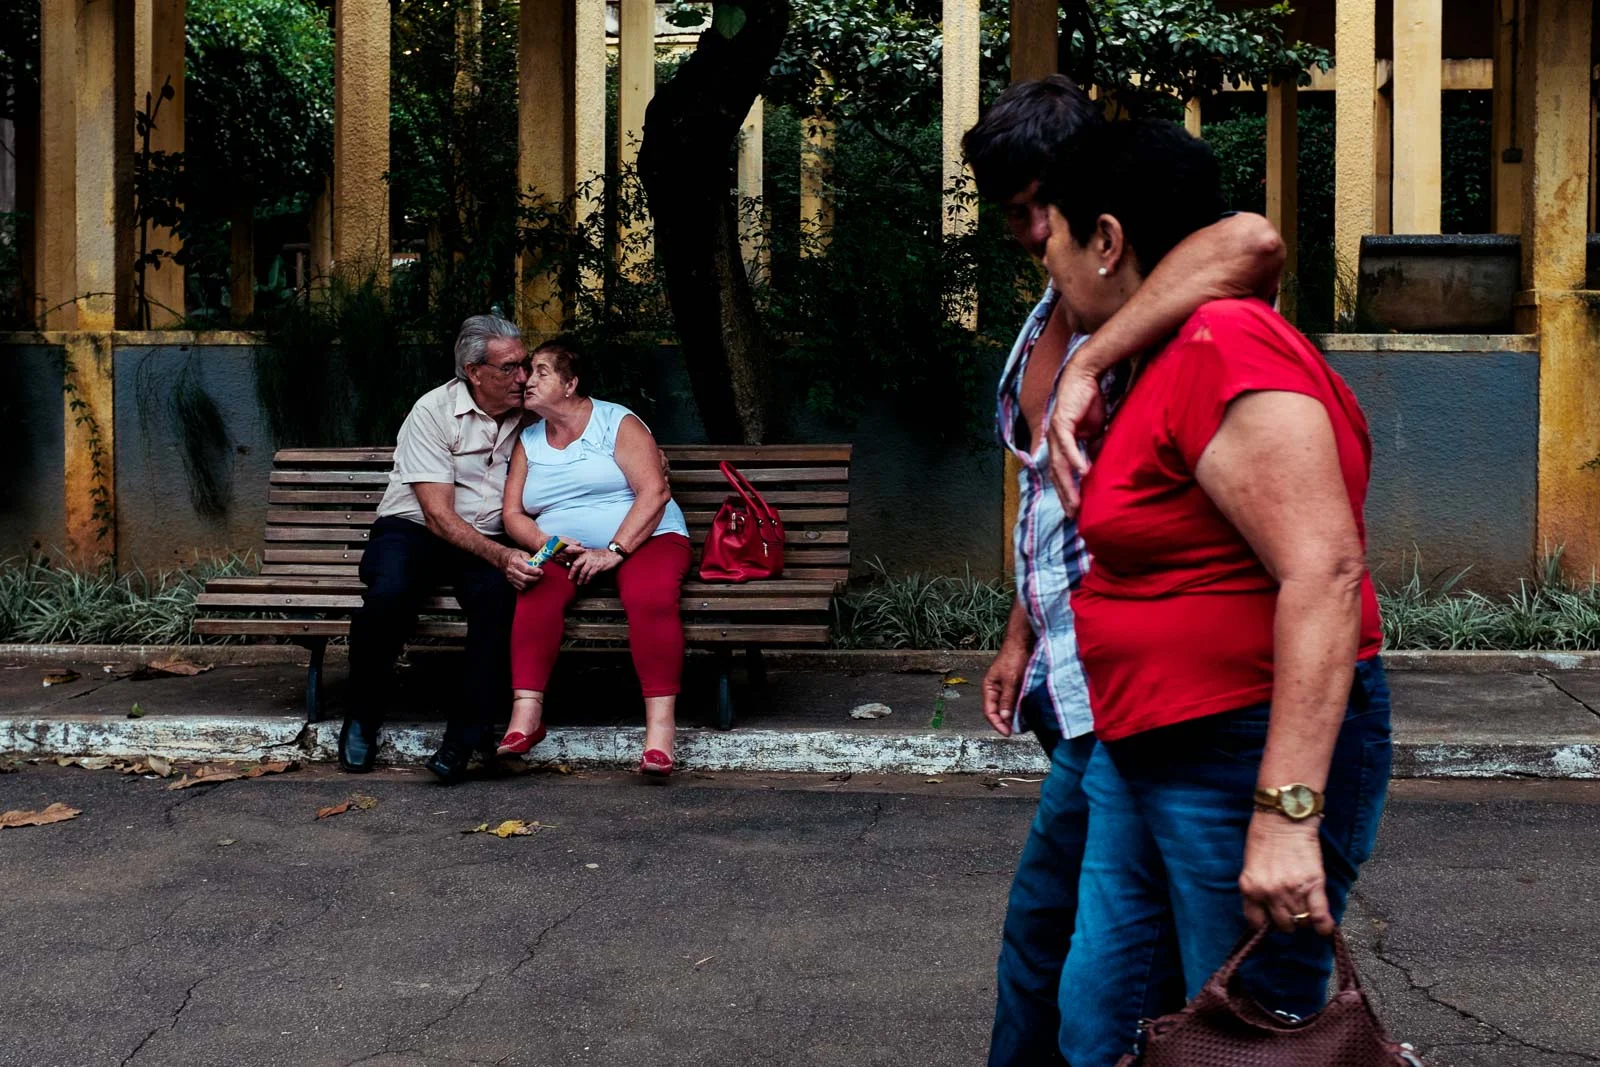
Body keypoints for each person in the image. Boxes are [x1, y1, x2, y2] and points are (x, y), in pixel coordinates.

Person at [1037, 118, 1391, 1065]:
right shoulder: (1164, 340)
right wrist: (1091, 356)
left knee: (1244, 1040)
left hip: (1237, 742)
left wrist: (1286, 815)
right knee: (1100, 1023)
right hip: (1146, 738)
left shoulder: (1225, 342)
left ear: (1107, 240)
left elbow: (1324, 570)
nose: (1049, 271)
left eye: (1055, 243)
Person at [962, 76, 1288, 1067]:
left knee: (1101, 962)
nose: (1022, 232)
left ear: (1091, 208)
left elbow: (1255, 241)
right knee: (1071, 952)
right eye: (1007, 212)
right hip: (1075, 672)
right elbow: (1054, 509)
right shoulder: (1043, 318)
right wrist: (1019, 632)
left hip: (1147, 697)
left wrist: (1100, 356)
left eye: (1034, 209)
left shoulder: (1170, 308)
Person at [340, 314, 539, 783]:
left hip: (485, 536)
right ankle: (361, 717)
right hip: (415, 528)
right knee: (389, 595)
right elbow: (438, 517)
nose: (523, 377)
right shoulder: (433, 411)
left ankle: (465, 738)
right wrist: (504, 556)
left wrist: (646, 452)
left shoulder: (530, 409)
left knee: (501, 600)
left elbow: (591, 428)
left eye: (525, 365)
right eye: (509, 368)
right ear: (473, 371)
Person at [498, 339, 692, 778]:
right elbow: (512, 514)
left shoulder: (615, 422)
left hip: (646, 538)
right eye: (529, 371)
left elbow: (655, 492)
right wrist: (549, 543)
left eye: (542, 371)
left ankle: (660, 733)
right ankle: (527, 714)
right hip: (566, 549)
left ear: (571, 383)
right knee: (534, 587)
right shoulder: (529, 439)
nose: (528, 379)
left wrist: (615, 550)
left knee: (650, 596)